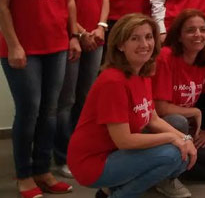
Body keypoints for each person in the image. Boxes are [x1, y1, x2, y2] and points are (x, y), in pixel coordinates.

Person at [1, 0, 81, 197]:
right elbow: (2, 6)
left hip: (56, 46)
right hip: (23, 49)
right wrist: (14, 46)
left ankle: (43, 170)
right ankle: (24, 175)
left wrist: (73, 35)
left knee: (50, 111)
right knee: (29, 110)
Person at [67, 14, 195, 198]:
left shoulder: (142, 73)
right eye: (134, 38)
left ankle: (109, 191)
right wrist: (172, 138)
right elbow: (124, 141)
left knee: (183, 154)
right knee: (173, 154)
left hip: (116, 152)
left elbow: (152, 119)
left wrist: (186, 139)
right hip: (93, 162)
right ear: (121, 45)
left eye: (148, 37)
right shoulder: (113, 81)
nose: (144, 44)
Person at [54, 0, 110, 179]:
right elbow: (61, 0)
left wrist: (101, 26)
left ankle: (82, 149)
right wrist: (78, 32)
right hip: (70, 38)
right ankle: (62, 156)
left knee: (87, 97)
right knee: (66, 99)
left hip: (96, 36)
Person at [153, 9, 205, 182]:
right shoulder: (166, 57)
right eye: (190, 30)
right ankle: (163, 174)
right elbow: (161, 108)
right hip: (160, 124)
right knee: (178, 120)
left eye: (202, 30)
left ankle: (161, 170)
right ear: (179, 36)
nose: (198, 35)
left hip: (187, 128)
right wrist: (194, 112)